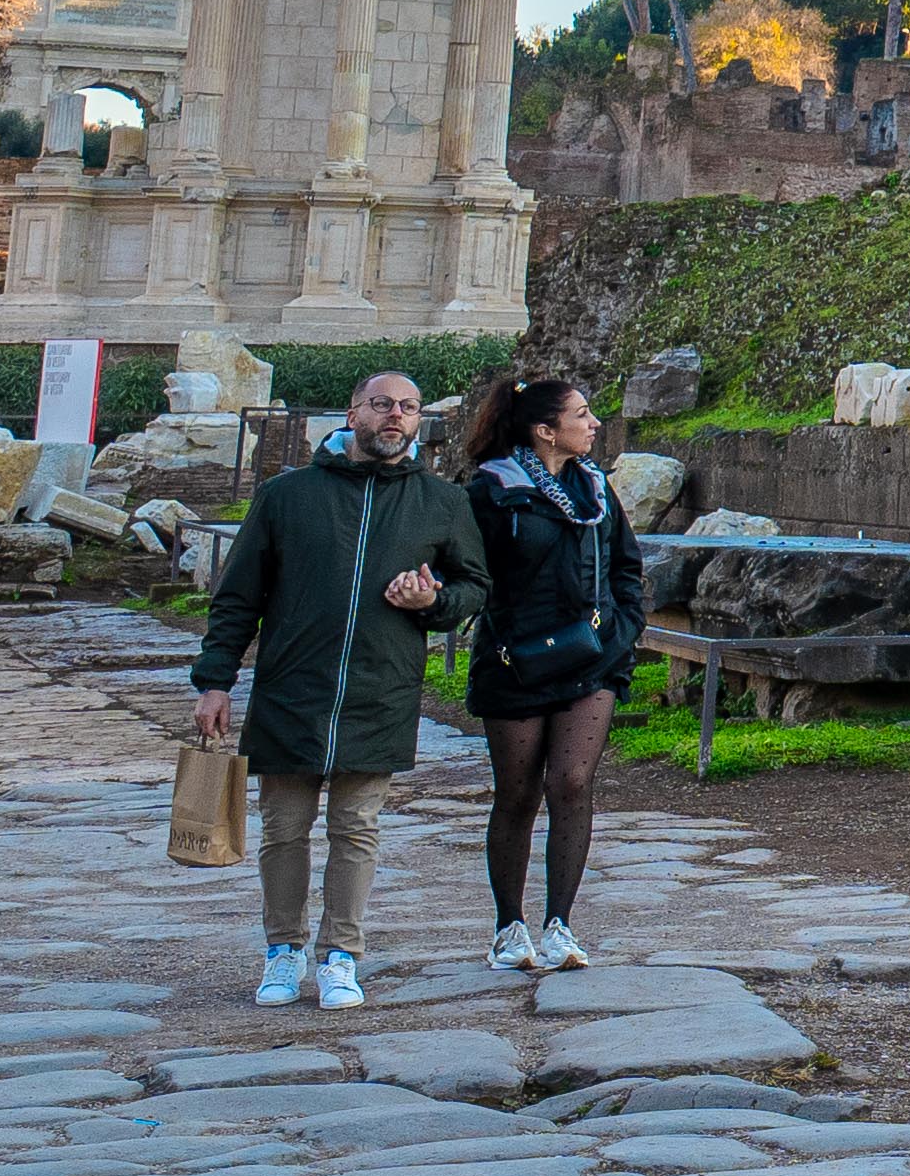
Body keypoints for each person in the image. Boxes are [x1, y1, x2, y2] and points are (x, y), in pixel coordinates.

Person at [193, 367, 486, 1009]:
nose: (395, 416)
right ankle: (282, 950)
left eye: (408, 407)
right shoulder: (286, 495)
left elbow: (473, 587)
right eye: (382, 404)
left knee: (357, 828)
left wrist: (432, 601)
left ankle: (341, 956)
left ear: (418, 423)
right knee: (284, 829)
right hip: (291, 690)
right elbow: (238, 596)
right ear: (352, 413)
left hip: (381, 690)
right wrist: (215, 680)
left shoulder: (443, 502)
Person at [459, 371, 647, 978]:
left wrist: (624, 629)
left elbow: (626, 563)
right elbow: (469, 570)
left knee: (572, 784)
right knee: (517, 793)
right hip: (517, 660)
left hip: (592, 655)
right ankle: (508, 927)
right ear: (546, 430)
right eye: (582, 415)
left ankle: (560, 923)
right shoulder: (492, 489)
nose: (594, 425)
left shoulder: (595, 486)